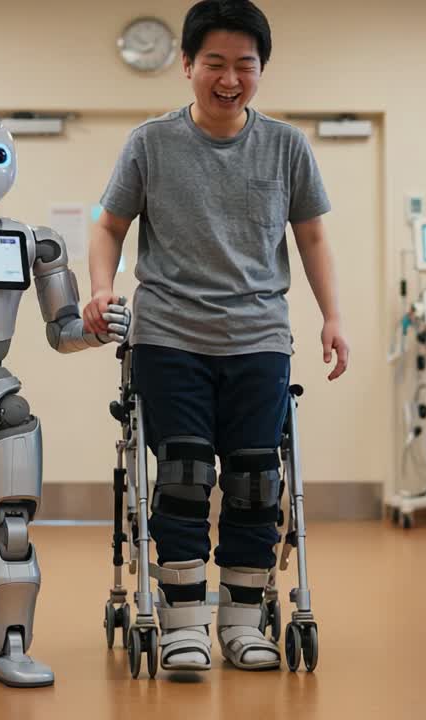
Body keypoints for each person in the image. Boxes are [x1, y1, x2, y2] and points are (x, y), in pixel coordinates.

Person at [82, 0, 348, 672]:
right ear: (188, 66)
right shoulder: (150, 142)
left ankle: (240, 619)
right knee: (183, 477)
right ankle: (183, 621)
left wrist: (333, 318)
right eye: (215, 64)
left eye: (244, 66)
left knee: (258, 480)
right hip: (170, 336)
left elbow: (312, 235)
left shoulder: (286, 145)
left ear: (261, 70)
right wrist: (101, 286)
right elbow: (108, 223)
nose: (229, 79)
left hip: (260, 337)